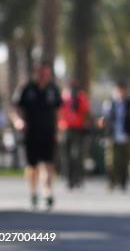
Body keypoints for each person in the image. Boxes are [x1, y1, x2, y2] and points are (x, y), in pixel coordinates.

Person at [11, 62, 62, 210]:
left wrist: (59, 130)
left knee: (48, 164)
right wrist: (17, 121)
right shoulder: (26, 89)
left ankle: (48, 193)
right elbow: (14, 108)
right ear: (35, 73)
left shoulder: (53, 89)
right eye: (41, 73)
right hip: (30, 133)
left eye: (46, 74)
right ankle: (33, 192)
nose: (43, 77)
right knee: (32, 166)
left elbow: (59, 110)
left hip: (48, 132)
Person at [98, 81, 130, 192]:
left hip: (126, 135)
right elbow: (103, 118)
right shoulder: (109, 103)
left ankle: (123, 182)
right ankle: (111, 181)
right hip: (112, 135)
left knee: (124, 161)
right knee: (111, 161)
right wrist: (101, 124)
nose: (120, 93)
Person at [59, 79, 90, 189]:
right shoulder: (64, 97)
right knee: (67, 156)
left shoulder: (81, 97)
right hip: (66, 129)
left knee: (77, 155)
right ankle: (69, 179)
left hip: (78, 129)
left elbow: (86, 112)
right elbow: (59, 112)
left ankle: (78, 178)